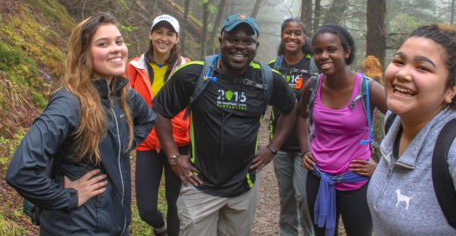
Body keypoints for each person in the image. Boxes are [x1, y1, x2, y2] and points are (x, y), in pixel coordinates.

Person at [6, 13, 157, 236]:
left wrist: (120, 144)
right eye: (103, 44)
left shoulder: (122, 94)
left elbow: (148, 119)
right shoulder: (69, 103)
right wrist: (68, 195)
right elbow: (20, 172)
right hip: (76, 227)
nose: (116, 48)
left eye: (119, 41)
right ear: (83, 54)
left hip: (116, 223)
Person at [152, 13, 298, 235]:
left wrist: (272, 147)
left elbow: (291, 108)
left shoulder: (267, 78)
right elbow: (160, 110)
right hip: (200, 188)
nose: (239, 46)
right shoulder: (195, 74)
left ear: (256, 46)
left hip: (243, 189)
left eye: (247, 41)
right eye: (232, 39)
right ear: (221, 42)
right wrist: (173, 157)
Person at [367, 24, 456, 235]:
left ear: (451, 90)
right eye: (399, 61)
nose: (402, 73)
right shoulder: (395, 121)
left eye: (422, 68)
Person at [296, 23, 387, 236]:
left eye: (331, 49)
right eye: (318, 51)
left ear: (346, 51)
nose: (324, 56)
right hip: (318, 177)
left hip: (356, 180)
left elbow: (404, 121)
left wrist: (384, 167)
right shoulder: (313, 85)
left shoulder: (368, 88)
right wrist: (305, 149)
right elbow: (301, 116)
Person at [126, 14, 190, 236]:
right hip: (147, 143)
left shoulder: (187, 68)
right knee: (146, 209)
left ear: (176, 39)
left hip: (179, 143)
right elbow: (122, 102)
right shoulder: (133, 67)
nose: (164, 38)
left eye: (169, 34)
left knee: (176, 206)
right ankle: (159, 228)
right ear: (150, 35)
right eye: (159, 32)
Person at [268, 18, 315, 236]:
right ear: (282, 35)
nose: (292, 37)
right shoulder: (272, 67)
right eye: (288, 32)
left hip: (309, 146)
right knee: (286, 197)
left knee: (304, 198)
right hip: (281, 144)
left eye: (297, 33)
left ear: (304, 38)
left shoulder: (314, 66)